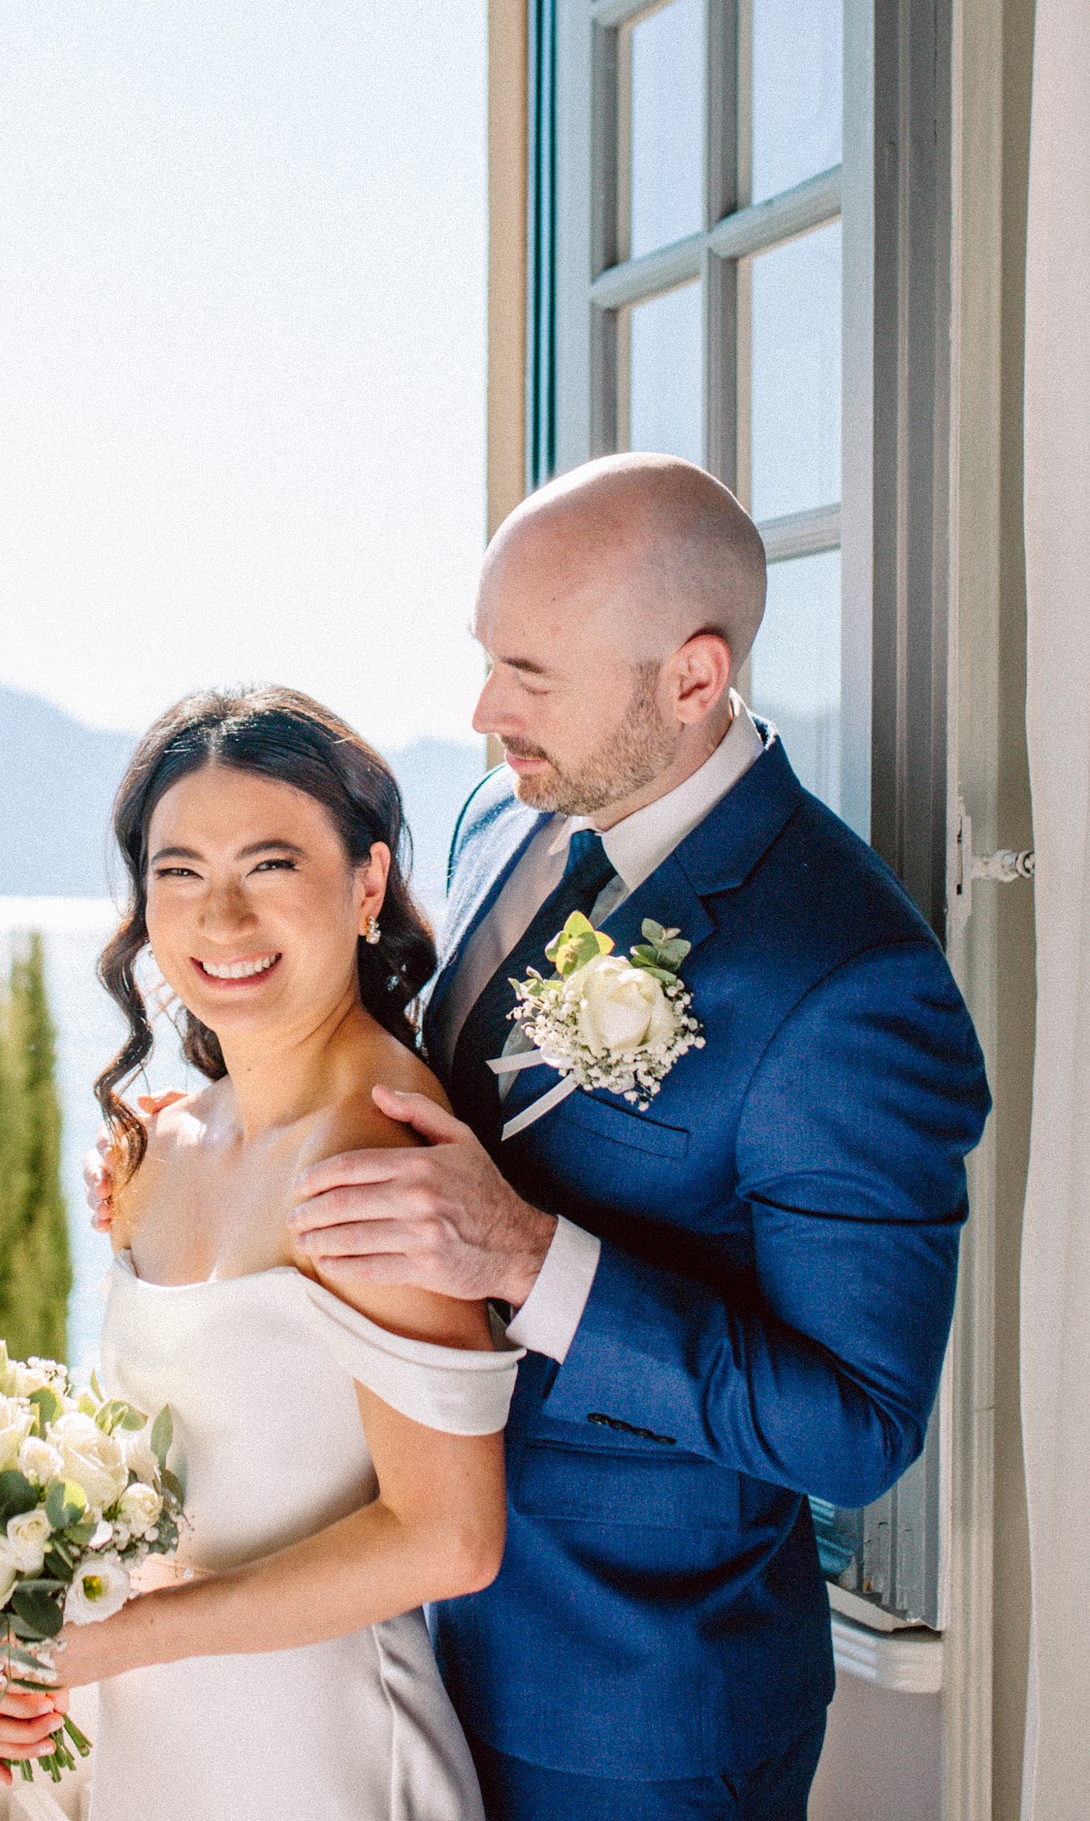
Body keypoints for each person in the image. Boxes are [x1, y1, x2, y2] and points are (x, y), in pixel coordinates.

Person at [282, 454, 992, 1820]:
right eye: (485, 658)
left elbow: (854, 1426)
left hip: (635, 1709)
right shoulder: (501, 817)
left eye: (530, 676)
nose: (483, 713)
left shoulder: (847, 984)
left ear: (691, 677)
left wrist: (528, 1258)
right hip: (395, 1639)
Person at [0, 686, 522, 1819]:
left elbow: (448, 1539)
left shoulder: (378, 1162)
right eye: (178, 872)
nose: (219, 918)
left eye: (270, 865)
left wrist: (125, 1638)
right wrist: (33, 1635)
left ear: (366, 884)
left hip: (322, 1758)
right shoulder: (161, 1147)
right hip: (163, 1748)